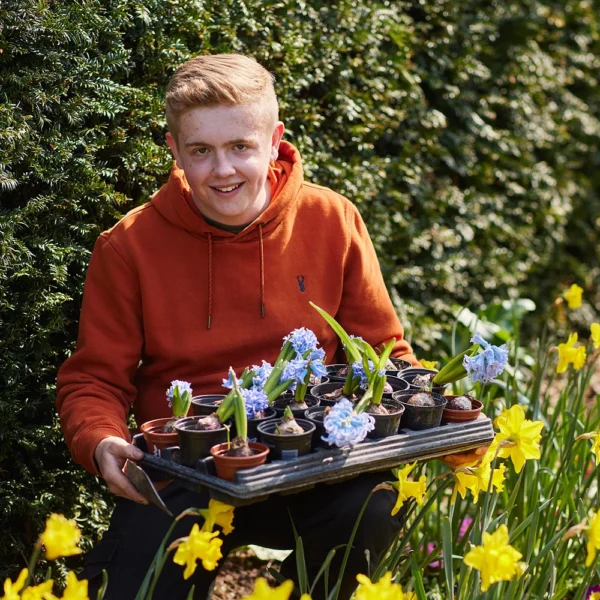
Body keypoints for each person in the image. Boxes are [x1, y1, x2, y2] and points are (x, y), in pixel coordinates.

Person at [56, 53, 421, 599]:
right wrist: (102, 440)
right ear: (175, 150)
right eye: (201, 151)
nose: (223, 170)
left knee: (374, 506)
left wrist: (431, 418)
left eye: (240, 147)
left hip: (310, 460)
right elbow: (94, 379)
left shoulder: (331, 219)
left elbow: (383, 350)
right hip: (186, 472)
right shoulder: (128, 246)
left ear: (274, 141)